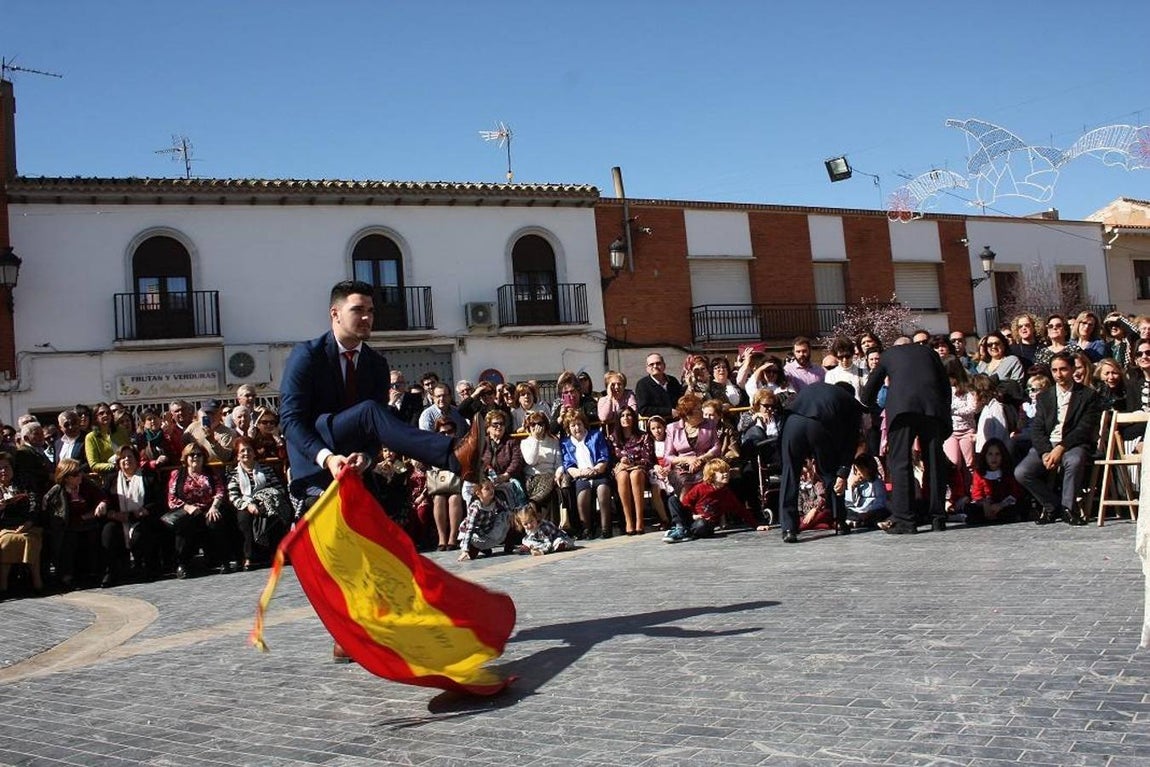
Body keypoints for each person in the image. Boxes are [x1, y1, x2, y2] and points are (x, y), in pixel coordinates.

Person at [279, 280, 480, 520]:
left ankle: (456, 456)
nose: (367, 318)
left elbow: (379, 427)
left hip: (352, 462)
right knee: (368, 411)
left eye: (371, 311)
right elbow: (290, 421)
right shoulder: (308, 355)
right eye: (358, 310)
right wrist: (327, 458)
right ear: (335, 313)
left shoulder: (376, 364)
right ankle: (453, 455)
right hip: (315, 457)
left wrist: (366, 456)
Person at [861, 340, 952, 535]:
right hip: (932, 409)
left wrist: (872, 407)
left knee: (900, 463)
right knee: (934, 462)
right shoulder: (930, 353)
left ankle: (905, 520)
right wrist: (944, 416)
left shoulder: (888, 355)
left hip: (901, 410)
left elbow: (869, 390)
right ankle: (938, 518)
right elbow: (945, 386)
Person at [1014, 351, 1101, 526]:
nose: (1058, 374)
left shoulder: (1087, 395)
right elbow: (1037, 428)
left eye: (1063, 369)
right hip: (1048, 444)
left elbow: (1084, 428)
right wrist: (1046, 451)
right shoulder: (1045, 396)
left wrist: (1061, 447)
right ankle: (1052, 504)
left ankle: (1069, 508)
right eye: (1054, 370)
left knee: (1074, 461)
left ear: (1072, 370)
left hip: (1073, 443)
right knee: (1022, 472)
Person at [776, 381, 863, 543]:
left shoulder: (816, 387)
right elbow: (850, 442)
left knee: (790, 475)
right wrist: (843, 471)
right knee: (830, 472)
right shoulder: (849, 401)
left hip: (792, 423)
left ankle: (788, 528)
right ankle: (839, 520)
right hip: (819, 426)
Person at [100, 444, 164, 585]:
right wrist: (110, 511)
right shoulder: (111, 479)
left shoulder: (148, 477)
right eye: (123, 457)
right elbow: (104, 498)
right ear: (118, 462)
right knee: (108, 531)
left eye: (130, 456)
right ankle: (111, 571)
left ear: (136, 459)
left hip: (141, 518)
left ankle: (145, 568)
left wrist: (145, 510)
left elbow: (158, 501)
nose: (126, 460)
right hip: (119, 519)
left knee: (140, 533)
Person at [166, 443, 232, 579]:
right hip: (187, 511)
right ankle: (182, 564)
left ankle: (222, 560)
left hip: (208, 509)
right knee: (184, 526)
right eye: (191, 454)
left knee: (215, 521)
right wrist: (188, 507)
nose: (195, 457)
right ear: (186, 457)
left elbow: (220, 491)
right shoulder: (177, 474)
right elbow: (171, 498)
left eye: (199, 454)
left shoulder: (211, 472)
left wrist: (214, 506)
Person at [227, 437, 292, 571]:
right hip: (244, 504)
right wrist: (248, 505)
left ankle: (276, 553)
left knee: (274, 515)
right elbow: (233, 496)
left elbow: (278, 488)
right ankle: (248, 556)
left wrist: (264, 500)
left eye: (249, 450)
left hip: (266, 501)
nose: (246, 453)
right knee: (244, 519)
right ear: (237, 455)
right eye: (242, 451)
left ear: (254, 453)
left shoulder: (266, 470)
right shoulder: (233, 473)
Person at [43, 458, 105, 588]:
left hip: (89, 523)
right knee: (69, 540)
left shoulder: (86, 484)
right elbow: (56, 516)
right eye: (75, 474)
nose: (80, 476)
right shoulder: (56, 492)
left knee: (94, 536)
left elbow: (101, 496)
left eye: (80, 472)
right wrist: (82, 518)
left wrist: (102, 503)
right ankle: (67, 575)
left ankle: (92, 572)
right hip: (67, 526)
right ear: (66, 477)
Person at [663, 458, 757, 541]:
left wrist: (756, 525)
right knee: (672, 500)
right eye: (722, 472)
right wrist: (693, 515)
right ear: (712, 475)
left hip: (706, 524)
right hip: (693, 518)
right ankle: (680, 528)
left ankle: (687, 533)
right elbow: (686, 502)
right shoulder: (700, 488)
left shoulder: (726, 493)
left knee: (702, 525)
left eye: (727, 472)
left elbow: (740, 509)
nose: (726, 474)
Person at [558, 410, 613, 539]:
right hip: (580, 476)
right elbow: (568, 465)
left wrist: (595, 469)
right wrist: (580, 472)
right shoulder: (565, 443)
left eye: (579, 424)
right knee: (583, 495)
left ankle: (606, 529)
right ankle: (586, 529)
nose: (577, 428)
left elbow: (604, 457)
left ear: (584, 424)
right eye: (573, 425)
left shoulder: (596, 435)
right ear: (568, 428)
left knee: (603, 490)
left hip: (598, 473)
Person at [0, 451, 43, 595]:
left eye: (6, 467)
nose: (3, 471)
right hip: (4, 525)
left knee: (29, 540)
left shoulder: (24, 483)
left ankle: (37, 582)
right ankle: (3, 584)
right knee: (7, 541)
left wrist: (29, 522)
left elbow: (34, 502)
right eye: (0, 468)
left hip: (26, 524)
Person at [607, 406, 654, 536]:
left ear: (634, 418)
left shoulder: (643, 437)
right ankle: (629, 521)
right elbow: (610, 461)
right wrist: (620, 464)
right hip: (621, 471)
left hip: (639, 469)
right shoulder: (612, 439)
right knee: (622, 476)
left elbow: (647, 459)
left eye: (629, 415)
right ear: (618, 419)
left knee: (635, 474)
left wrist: (632, 464)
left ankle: (639, 520)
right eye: (622, 415)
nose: (626, 418)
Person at [966, 438, 1024, 526]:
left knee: (1017, 507)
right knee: (971, 509)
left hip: (1004, 504)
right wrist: (985, 504)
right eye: (990, 454)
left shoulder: (1007, 472)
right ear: (985, 456)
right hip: (986, 504)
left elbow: (1015, 493)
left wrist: (1001, 505)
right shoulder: (979, 473)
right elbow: (976, 494)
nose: (994, 458)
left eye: (997, 454)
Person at [456, 478, 512, 561]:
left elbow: (508, 509)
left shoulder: (496, 501)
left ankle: (509, 544)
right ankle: (477, 548)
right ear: (478, 493)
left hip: (488, 530)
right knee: (471, 555)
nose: (491, 490)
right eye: (487, 489)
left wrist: (511, 517)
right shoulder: (476, 508)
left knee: (507, 517)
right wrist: (465, 550)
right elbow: (470, 529)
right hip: (477, 532)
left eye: (492, 487)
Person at [183, 400, 238, 464]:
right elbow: (182, 445)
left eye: (213, 413)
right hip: (198, 468)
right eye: (207, 413)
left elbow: (226, 457)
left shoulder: (228, 433)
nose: (210, 416)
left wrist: (212, 441)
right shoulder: (193, 427)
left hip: (218, 470)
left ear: (220, 413)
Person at [844, 453, 889, 529]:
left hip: (872, 510)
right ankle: (855, 521)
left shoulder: (877, 483)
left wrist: (869, 511)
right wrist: (852, 487)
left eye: (861, 470)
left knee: (883, 512)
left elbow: (880, 501)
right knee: (847, 512)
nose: (859, 473)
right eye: (857, 470)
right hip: (857, 510)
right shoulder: (852, 481)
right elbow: (849, 503)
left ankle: (871, 522)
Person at [635, 353, 683, 420]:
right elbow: (644, 410)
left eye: (658, 363)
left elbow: (681, 400)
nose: (655, 366)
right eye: (651, 364)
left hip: (677, 423)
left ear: (664, 365)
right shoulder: (642, 385)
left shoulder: (673, 381)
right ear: (647, 368)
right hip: (657, 426)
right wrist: (669, 411)